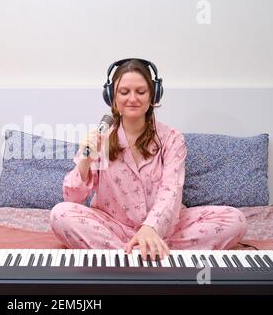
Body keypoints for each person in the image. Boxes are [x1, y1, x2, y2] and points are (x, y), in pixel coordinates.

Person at [50, 59, 247, 261]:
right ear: (112, 97)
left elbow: (171, 190)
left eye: (141, 91)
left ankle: (132, 253)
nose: (132, 98)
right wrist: (85, 160)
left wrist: (150, 227)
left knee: (235, 219)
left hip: (165, 227)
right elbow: (73, 199)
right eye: (124, 92)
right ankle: (145, 254)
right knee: (60, 214)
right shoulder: (101, 138)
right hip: (114, 228)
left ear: (153, 95)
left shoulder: (172, 138)